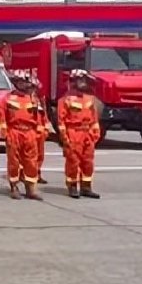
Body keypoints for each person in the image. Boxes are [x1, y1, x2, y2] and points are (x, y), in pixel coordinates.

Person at [57, 69, 102, 199]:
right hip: (73, 133)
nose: (83, 83)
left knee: (88, 161)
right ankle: (72, 186)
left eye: (84, 80)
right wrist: (65, 137)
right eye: (81, 80)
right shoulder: (65, 100)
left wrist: (95, 133)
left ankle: (86, 187)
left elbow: (94, 118)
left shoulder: (89, 98)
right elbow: (61, 121)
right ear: (74, 81)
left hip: (87, 133)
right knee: (73, 161)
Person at [2, 70, 43, 201]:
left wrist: (38, 132)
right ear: (15, 83)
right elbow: (2, 117)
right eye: (20, 82)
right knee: (14, 161)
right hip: (14, 131)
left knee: (31, 162)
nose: (23, 84)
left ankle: (30, 188)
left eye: (25, 82)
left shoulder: (33, 99)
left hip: (29, 133)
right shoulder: (8, 98)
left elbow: (38, 118)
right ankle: (14, 187)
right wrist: (5, 133)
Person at [30, 74, 49, 184]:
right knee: (30, 155)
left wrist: (46, 128)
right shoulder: (27, 99)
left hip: (40, 132)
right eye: (34, 87)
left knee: (40, 155)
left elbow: (44, 115)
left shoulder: (40, 100)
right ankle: (29, 174)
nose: (36, 90)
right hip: (31, 132)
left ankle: (37, 173)